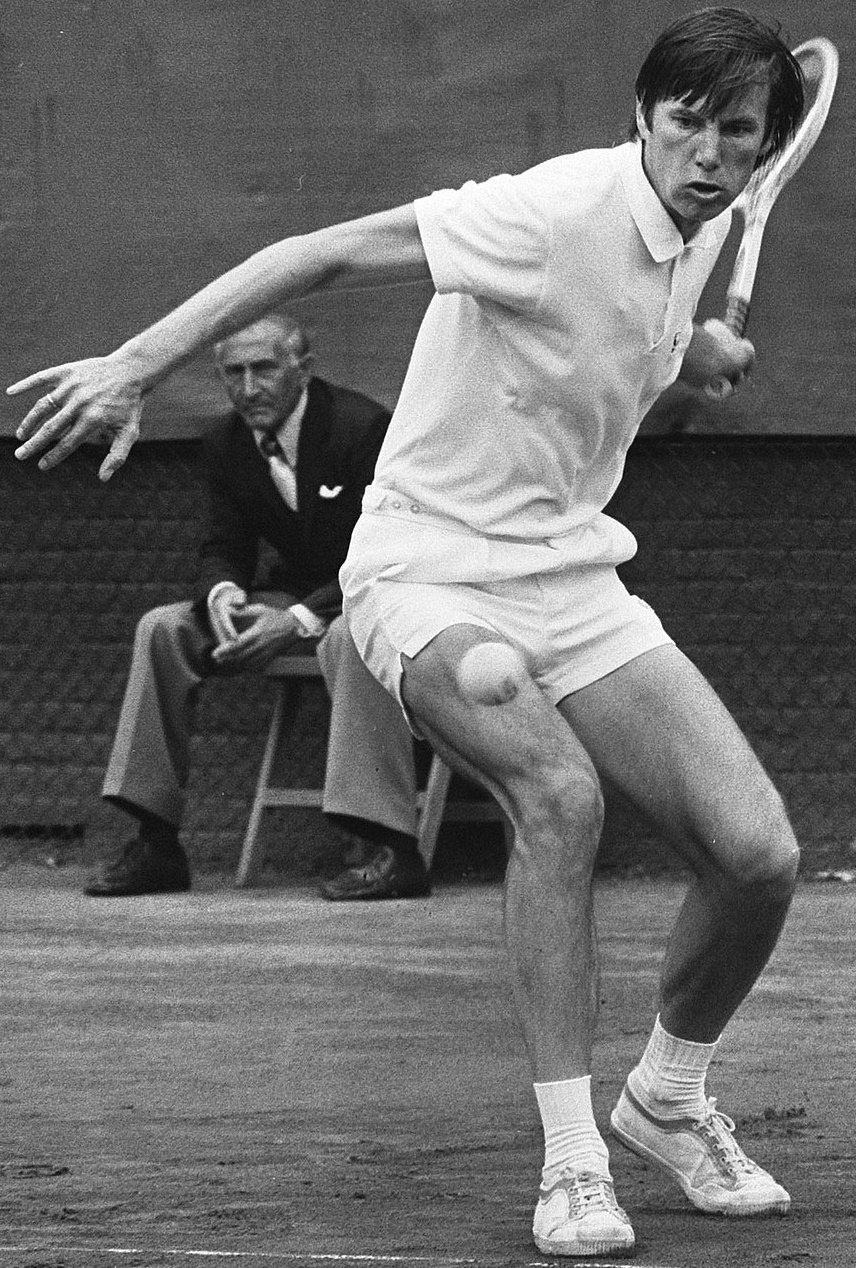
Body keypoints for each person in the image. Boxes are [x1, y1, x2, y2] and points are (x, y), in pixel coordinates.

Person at [10, 7, 807, 1257]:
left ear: (763, 148)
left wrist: (684, 364)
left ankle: (665, 1097)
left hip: (571, 573)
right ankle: (571, 1159)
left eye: (737, 132)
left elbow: (597, 400)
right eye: (685, 121)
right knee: (559, 795)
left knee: (758, 855)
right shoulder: (548, 212)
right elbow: (316, 251)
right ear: (642, 119)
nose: (707, 153)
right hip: (423, 566)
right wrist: (137, 362)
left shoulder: (698, 231)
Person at [83, 313, 431, 901]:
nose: (248, 388)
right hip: (295, 596)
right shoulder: (226, 441)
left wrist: (296, 620)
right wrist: (223, 592)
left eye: (263, 370)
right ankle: (156, 842)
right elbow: (223, 544)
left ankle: (390, 848)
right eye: (233, 373)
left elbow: (386, 553)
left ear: (304, 369)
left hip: (379, 593)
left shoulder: (361, 427)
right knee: (164, 629)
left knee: (349, 637)